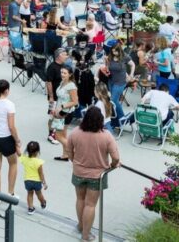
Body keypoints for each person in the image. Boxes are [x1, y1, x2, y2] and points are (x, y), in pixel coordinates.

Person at [65, 108, 120, 242]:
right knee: (90, 205)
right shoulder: (106, 135)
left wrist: (75, 161)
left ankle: (81, 226)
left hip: (78, 172)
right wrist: (113, 165)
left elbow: (69, 151)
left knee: (80, 199)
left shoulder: (75, 132)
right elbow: (116, 158)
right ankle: (86, 235)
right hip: (97, 175)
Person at [51, 65, 79, 159]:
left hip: (65, 113)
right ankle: (65, 155)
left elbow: (75, 101)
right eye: (61, 72)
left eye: (65, 73)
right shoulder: (62, 82)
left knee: (58, 136)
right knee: (63, 135)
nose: (62, 74)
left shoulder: (71, 86)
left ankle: (75, 153)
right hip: (60, 111)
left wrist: (62, 106)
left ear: (70, 74)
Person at [45, 49, 68, 145]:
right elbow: (48, 82)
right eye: (64, 54)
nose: (66, 56)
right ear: (58, 56)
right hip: (54, 97)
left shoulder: (64, 66)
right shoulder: (52, 67)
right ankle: (51, 135)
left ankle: (57, 132)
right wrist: (51, 97)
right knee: (52, 116)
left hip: (62, 97)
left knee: (60, 115)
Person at [21, 141, 48, 214]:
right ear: (37, 151)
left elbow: (20, 154)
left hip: (27, 181)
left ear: (27, 150)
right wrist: (44, 183)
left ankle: (30, 208)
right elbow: (41, 174)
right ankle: (43, 202)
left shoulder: (24, 159)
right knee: (39, 194)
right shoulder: (39, 162)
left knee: (30, 194)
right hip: (37, 181)